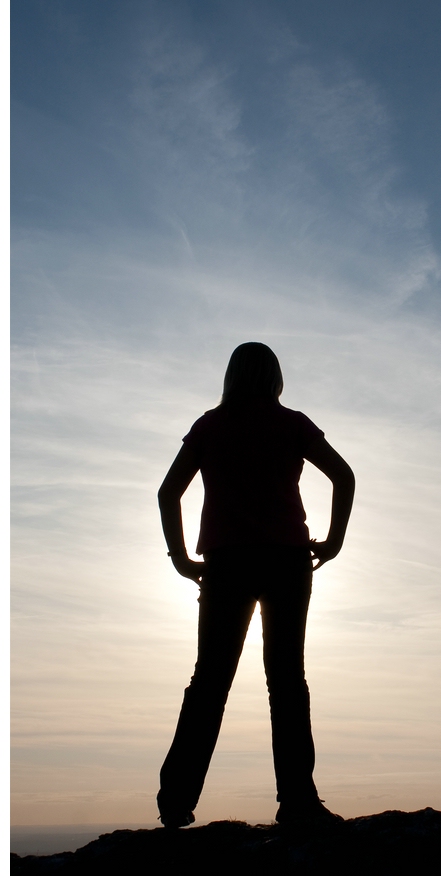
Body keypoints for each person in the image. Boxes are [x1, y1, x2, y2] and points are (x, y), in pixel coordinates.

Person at [156, 342, 355, 829]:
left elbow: (167, 493)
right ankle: (298, 803)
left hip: (225, 564)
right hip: (287, 561)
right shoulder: (292, 424)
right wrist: (333, 544)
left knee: (209, 681)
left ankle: (176, 802)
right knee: (287, 680)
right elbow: (344, 476)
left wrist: (181, 557)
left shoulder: (210, 425)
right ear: (275, 377)